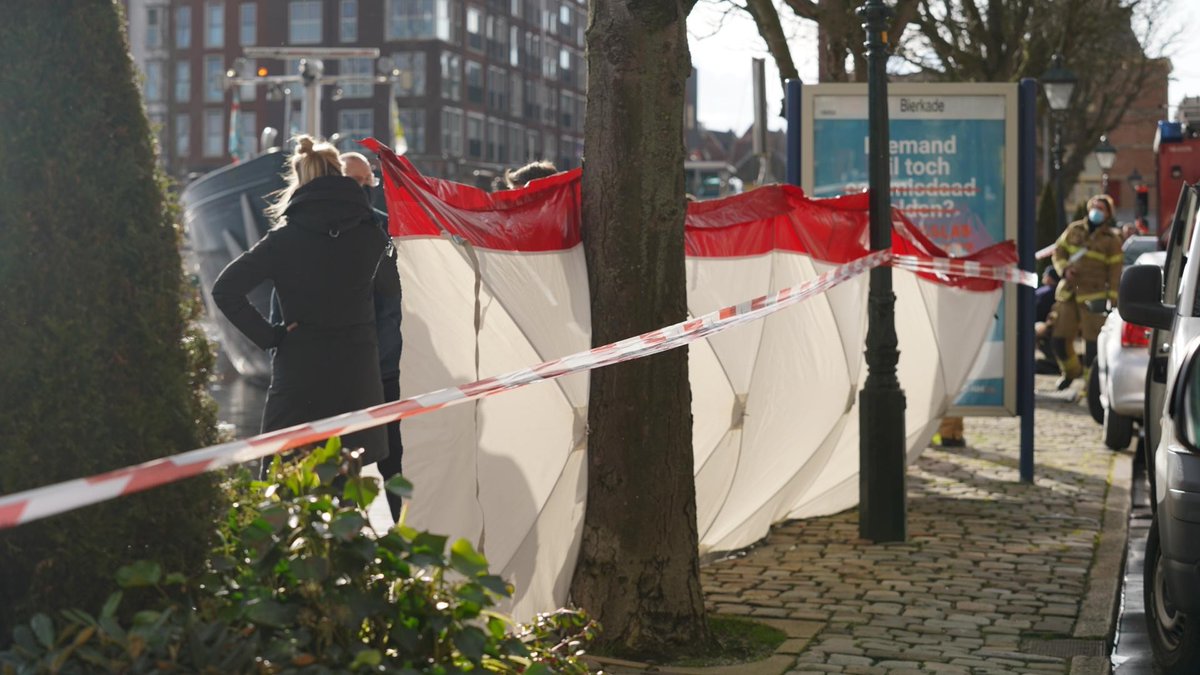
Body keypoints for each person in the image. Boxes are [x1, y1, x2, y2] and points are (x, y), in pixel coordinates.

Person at [212, 136, 400, 475]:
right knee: (348, 486)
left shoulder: (283, 239)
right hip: (356, 376)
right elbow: (393, 289)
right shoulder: (374, 235)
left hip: (299, 375)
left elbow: (226, 290)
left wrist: (271, 336)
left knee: (289, 483)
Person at [342, 151, 406, 521]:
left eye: (369, 182)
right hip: (344, 372)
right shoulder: (326, 237)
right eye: (356, 182)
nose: (364, 189)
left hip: (387, 369)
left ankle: (402, 541)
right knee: (343, 464)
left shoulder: (389, 231)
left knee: (394, 461)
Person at [1049, 194, 1123, 391]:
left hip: (1095, 297)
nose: (1096, 211)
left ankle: (1090, 388)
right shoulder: (1074, 229)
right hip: (1069, 292)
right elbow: (1059, 251)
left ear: (1107, 214)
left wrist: (1113, 300)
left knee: (1092, 345)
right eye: (1094, 206)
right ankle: (1071, 372)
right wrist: (1064, 269)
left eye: (1101, 208)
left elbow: (1115, 272)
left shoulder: (1111, 240)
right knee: (1058, 339)